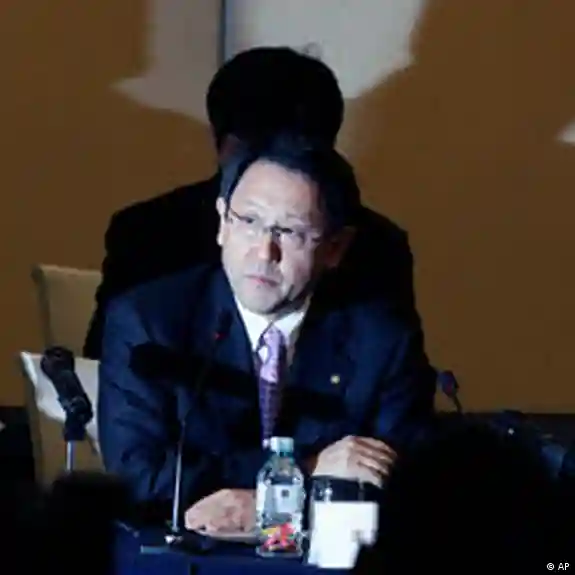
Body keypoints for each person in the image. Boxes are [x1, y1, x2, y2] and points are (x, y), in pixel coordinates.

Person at [98, 133, 436, 533]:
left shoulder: (382, 340)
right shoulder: (149, 321)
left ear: (335, 248)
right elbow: (138, 478)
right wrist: (301, 474)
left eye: (289, 232)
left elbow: (404, 488)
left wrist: (262, 507)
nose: (264, 252)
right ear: (222, 223)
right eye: (249, 222)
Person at [83, 47, 418, 359]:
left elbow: (397, 377)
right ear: (222, 145)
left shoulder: (375, 246)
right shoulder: (150, 232)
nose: (267, 251)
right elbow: (106, 369)